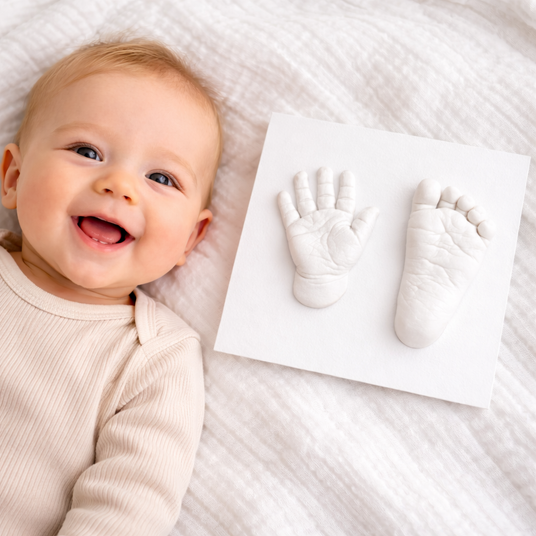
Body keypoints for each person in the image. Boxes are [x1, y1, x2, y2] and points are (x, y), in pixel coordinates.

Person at [0, 37, 222, 536]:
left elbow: (131, 505)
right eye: (87, 151)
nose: (119, 185)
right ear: (12, 176)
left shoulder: (153, 357)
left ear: (191, 236)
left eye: (161, 178)